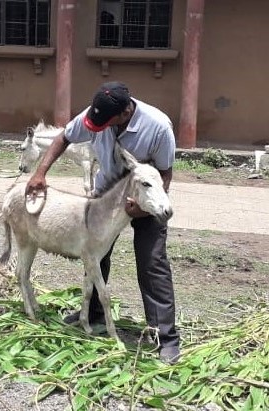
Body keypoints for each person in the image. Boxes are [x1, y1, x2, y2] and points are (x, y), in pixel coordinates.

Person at [25, 81, 180, 364]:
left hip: (144, 200)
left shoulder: (158, 127)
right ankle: (94, 314)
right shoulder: (97, 115)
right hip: (104, 199)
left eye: (106, 124)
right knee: (96, 256)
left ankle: (164, 337)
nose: (99, 129)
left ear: (124, 113)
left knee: (151, 262)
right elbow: (64, 138)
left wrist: (142, 210)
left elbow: (165, 176)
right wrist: (40, 173)